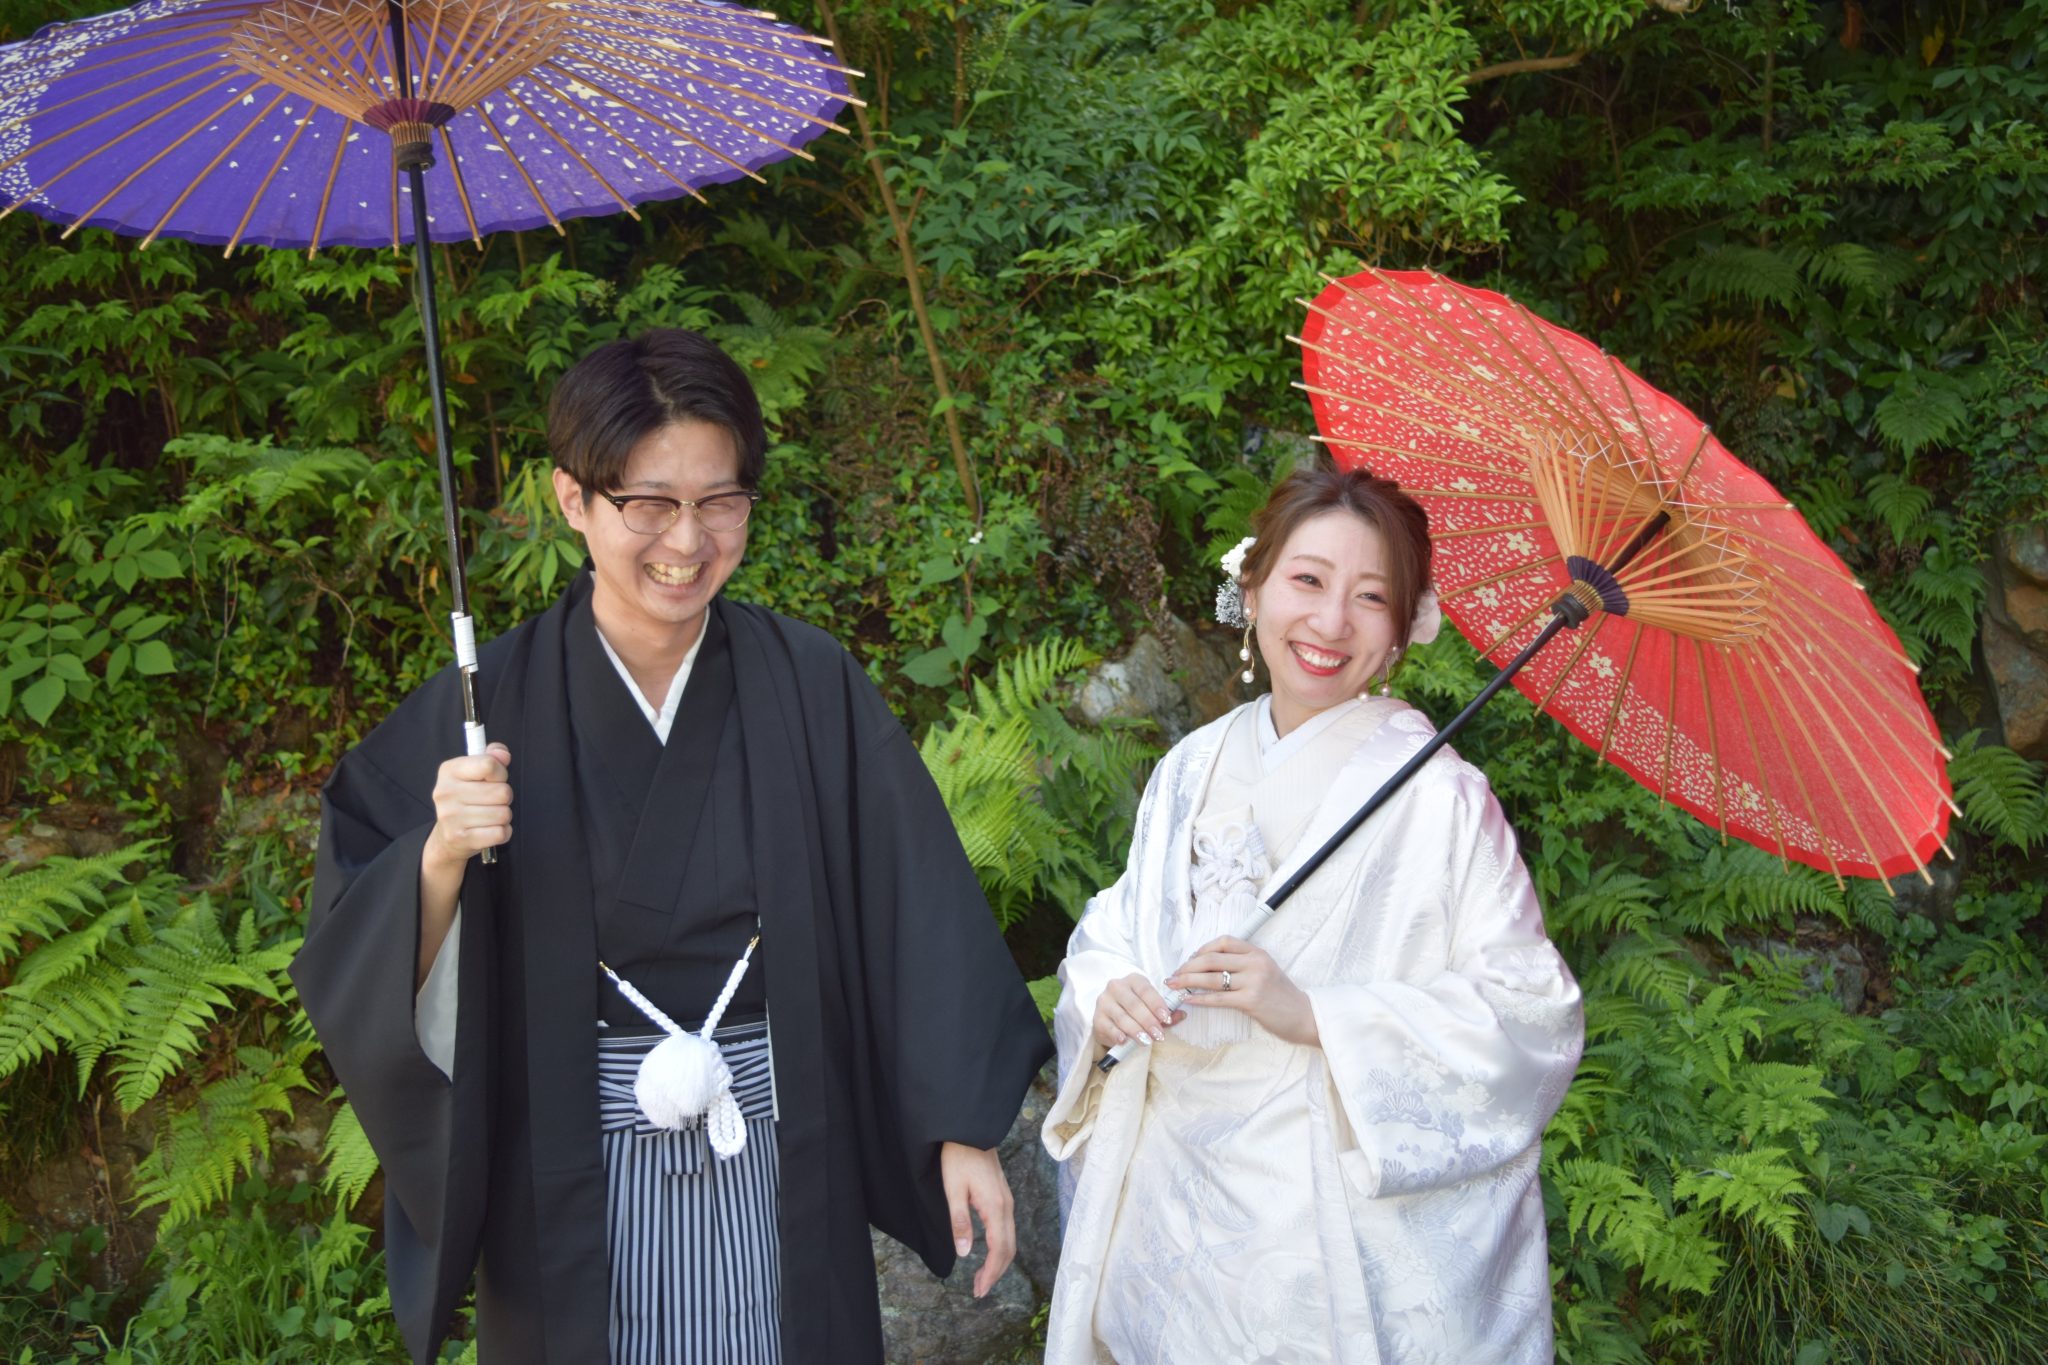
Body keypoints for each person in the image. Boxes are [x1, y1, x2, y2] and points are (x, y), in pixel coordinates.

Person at [290, 329, 1052, 1365]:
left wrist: (959, 1126)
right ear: (574, 501)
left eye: (718, 500)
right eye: (647, 503)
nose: (686, 541)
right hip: (574, 1166)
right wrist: (437, 860)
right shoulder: (487, 709)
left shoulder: (806, 682)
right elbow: (348, 936)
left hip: (778, 1148)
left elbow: (911, 901)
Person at [1040, 462, 1584, 1364]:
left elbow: (1532, 1014)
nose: (1331, 623)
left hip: (1330, 1237)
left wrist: (1319, 1015)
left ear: (1407, 627)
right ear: (1250, 588)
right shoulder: (1192, 765)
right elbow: (1115, 924)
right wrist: (1106, 987)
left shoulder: (1442, 799)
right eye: (1307, 580)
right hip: (1172, 1221)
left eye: (1372, 597)